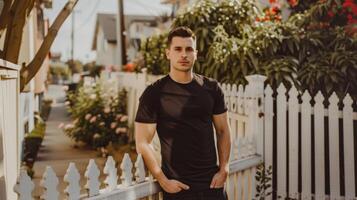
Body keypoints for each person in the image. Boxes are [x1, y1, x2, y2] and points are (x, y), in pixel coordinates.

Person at [135, 26, 231, 200]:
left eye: (189, 49)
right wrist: (163, 181)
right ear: (168, 53)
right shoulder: (154, 93)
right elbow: (142, 142)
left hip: (212, 185)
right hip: (178, 189)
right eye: (178, 49)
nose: (184, 54)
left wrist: (224, 168)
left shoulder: (212, 88)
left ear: (196, 53)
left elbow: (223, 131)